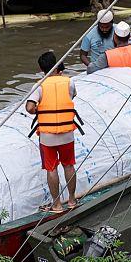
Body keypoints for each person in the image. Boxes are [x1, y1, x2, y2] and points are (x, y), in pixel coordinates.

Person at [25, 51, 82, 213]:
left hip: (47, 136)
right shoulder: (69, 82)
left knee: (52, 169)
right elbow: (72, 96)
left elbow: (29, 107)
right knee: (69, 165)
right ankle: (72, 200)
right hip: (66, 133)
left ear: (41, 68)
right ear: (57, 65)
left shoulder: (39, 86)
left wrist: (39, 109)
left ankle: (56, 204)